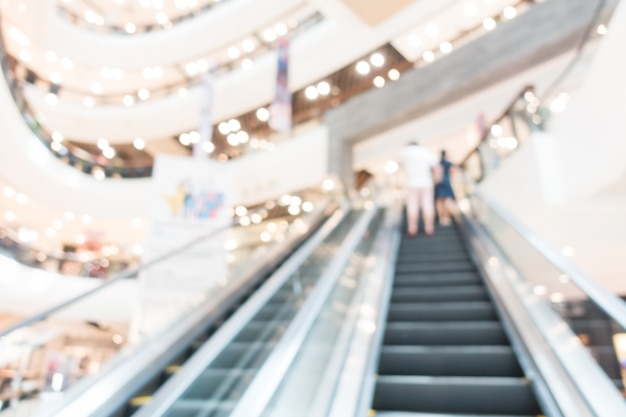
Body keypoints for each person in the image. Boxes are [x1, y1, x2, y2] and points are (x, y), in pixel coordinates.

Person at [401, 141, 438, 236]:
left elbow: (400, 165)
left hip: (411, 183)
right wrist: (436, 180)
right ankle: (429, 228)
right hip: (426, 183)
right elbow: (435, 167)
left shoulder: (406, 151)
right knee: (428, 204)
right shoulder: (426, 151)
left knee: (412, 205)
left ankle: (412, 228)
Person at [435, 149, 460, 226]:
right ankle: (446, 218)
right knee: (447, 201)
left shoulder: (438, 163)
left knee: (439, 201)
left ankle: (441, 219)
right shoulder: (448, 163)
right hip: (446, 182)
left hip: (439, 183)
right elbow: (453, 171)